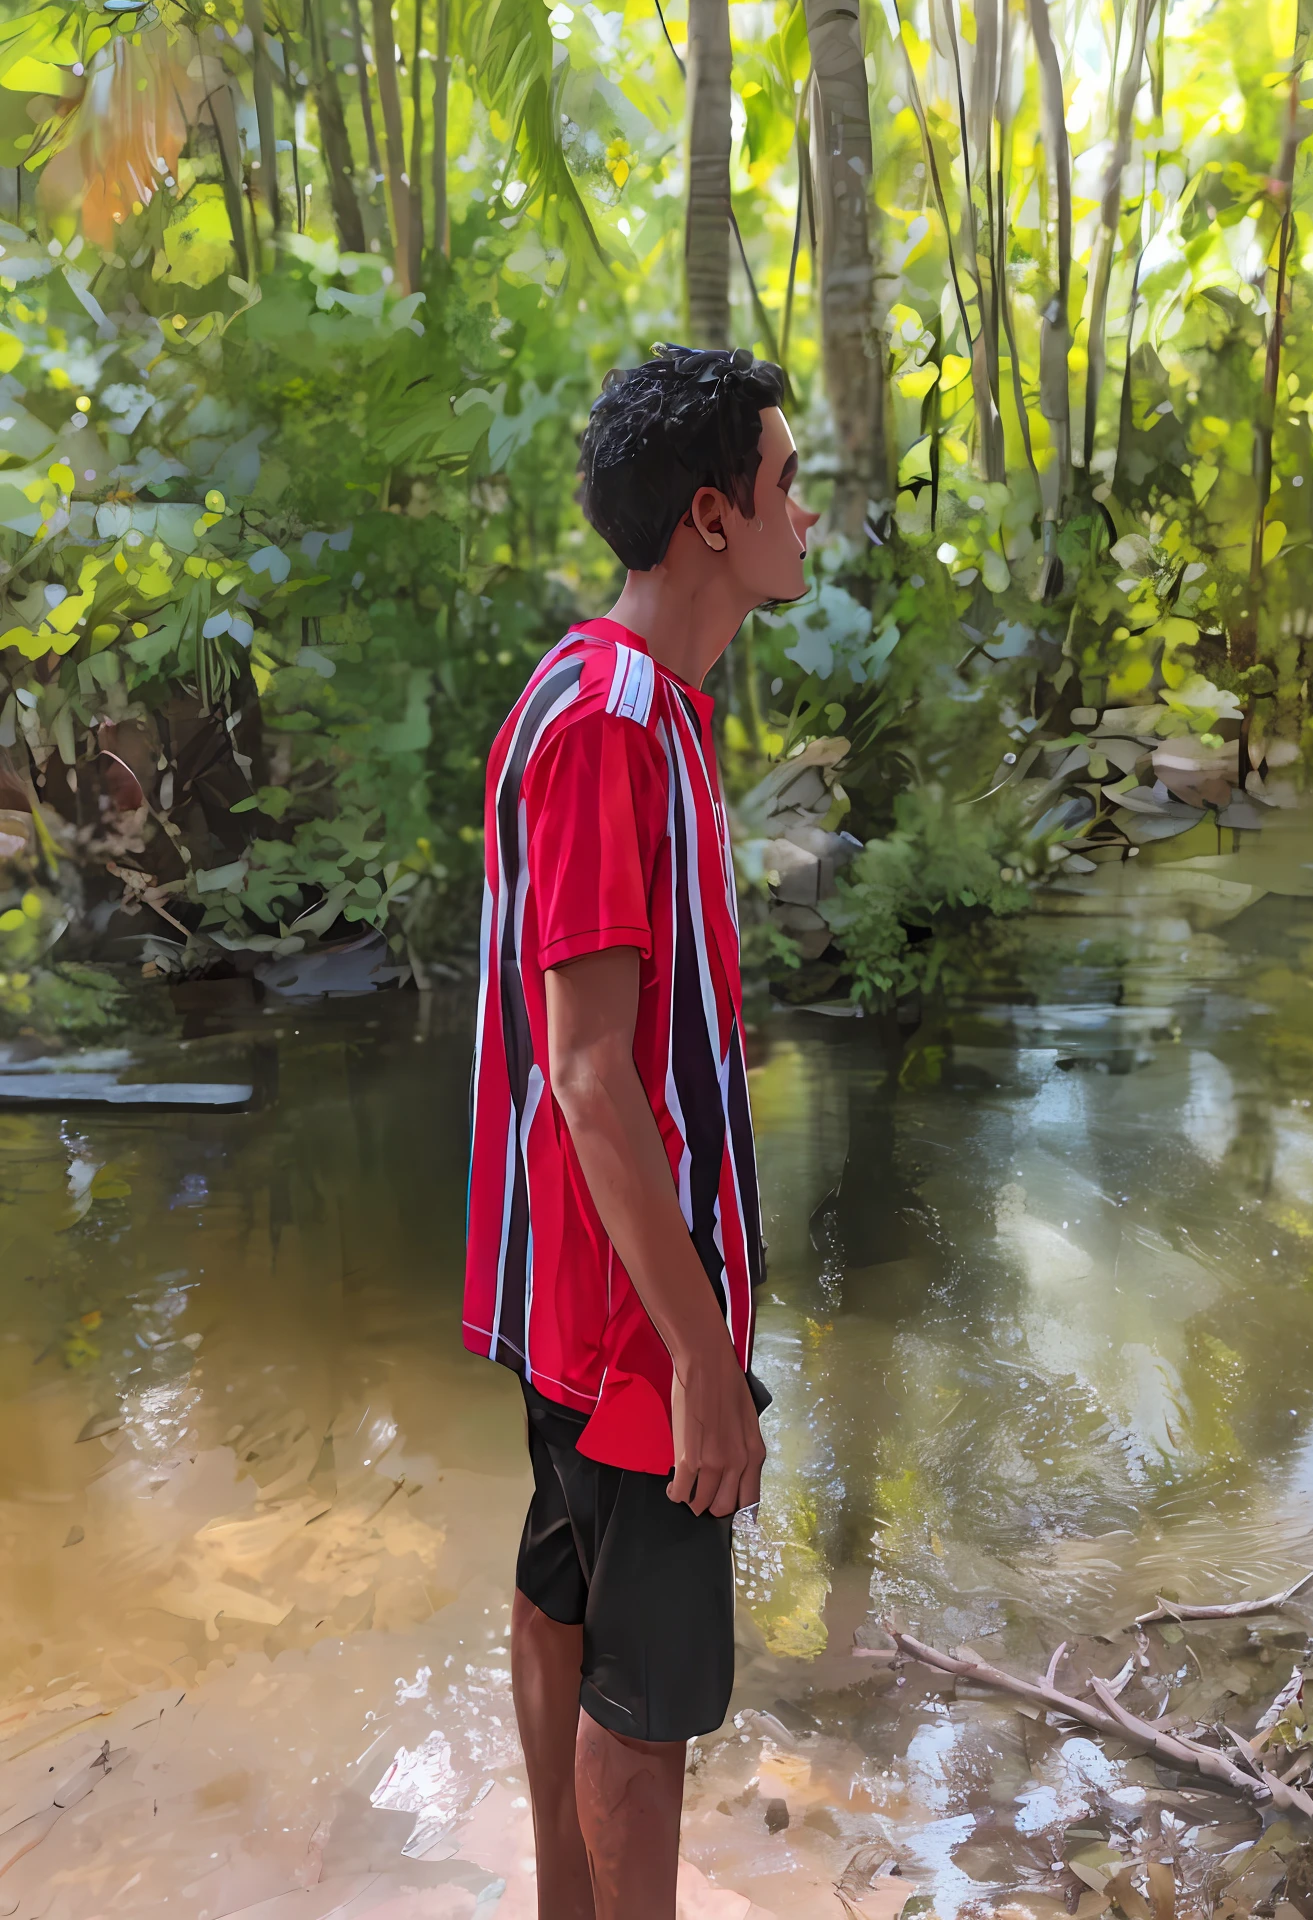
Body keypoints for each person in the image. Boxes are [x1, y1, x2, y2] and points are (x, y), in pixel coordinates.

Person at [462, 344, 817, 1919]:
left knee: (564, 1596)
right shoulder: (612, 719)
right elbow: (592, 1075)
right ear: (712, 519)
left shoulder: (632, 700)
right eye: (787, 481)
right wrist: (701, 1366)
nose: (807, 512)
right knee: (647, 1708)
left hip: (576, 1301)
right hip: (629, 1329)